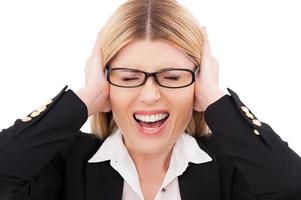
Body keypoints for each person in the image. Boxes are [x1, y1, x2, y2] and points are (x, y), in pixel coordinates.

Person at [0, 0, 301, 199]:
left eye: (172, 77)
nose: (150, 95)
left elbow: (291, 190)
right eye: (129, 78)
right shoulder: (68, 162)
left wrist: (216, 101)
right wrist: (86, 97)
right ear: (106, 84)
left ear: (198, 83)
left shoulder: (231, 166)